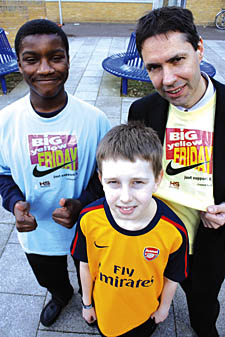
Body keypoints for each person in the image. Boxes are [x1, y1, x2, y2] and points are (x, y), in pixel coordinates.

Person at [0, 19, 110, 327]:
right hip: (37, 233)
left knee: (90, 269)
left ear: (68, 59)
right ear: (19, 63)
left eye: (56, 56)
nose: (45, 69)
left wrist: (84, 202)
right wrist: (14, 203)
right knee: (49, 275)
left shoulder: (96, 119)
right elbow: (2, 174)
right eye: (32, 59)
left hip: (86, 227)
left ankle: (91, 297)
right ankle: (61, 295)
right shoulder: (5, 122)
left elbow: (108, 175)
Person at [128, 6, 225, 337]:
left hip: (208, 245)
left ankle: (203, 325)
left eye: (177, 60)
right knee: (147, 299)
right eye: (154, 67)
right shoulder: (142, 110)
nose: (167, 79)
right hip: (152, 238)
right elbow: (129, 168)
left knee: (202, 302)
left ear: (199, 49)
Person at [71, 123, 189, 337]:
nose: (125, 197)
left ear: (158, 179)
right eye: (114, 182)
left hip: (145, 315)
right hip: (104, 311)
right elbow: (85, 265)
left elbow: (172, 277)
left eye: (137, 182)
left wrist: (164, 308)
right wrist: (87, 303)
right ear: (101, 180)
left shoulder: (174, 231)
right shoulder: (89, 219)